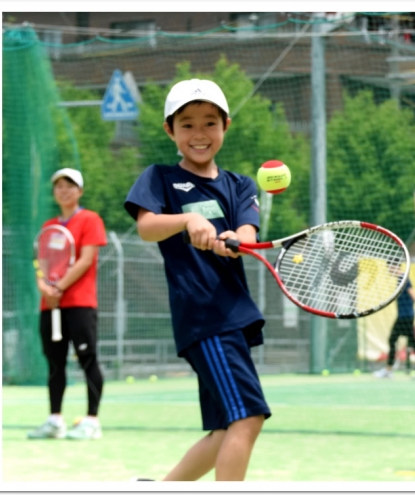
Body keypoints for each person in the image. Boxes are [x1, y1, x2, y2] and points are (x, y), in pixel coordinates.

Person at [124, 79, 271, 481]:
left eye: (210, 122)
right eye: (187, 124)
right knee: (249, 417)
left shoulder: (240, 185)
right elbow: (148, 226)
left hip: (234, 318)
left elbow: (248, 235)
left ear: (226, 125)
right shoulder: (159, 178)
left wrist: (232, 241)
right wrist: (189, 219)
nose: (199, 134)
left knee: (226, 428)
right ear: (169, 130)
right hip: (205, 318)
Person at [28, 168, 107, 441]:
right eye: (59, 186)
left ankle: (92, 421)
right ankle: (54, 421)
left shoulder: (90, 219)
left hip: (80, 304)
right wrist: (44, 286)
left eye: (70, 186)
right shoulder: (49, 226)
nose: (64, 190)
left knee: (88, 359)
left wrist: (59, 286)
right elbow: (41, 264)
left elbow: (85, 260)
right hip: (50, 306)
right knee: (54, 363)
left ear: (80, 191)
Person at [373, 263, 415, 379]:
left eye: (389, 267)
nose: (388, 270)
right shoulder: (399, 279)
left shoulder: (403, 278)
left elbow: (412, 293)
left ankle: (389, 370)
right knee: (412, 341)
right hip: (405, 316)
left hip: (405, 316)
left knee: (393, 339)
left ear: (395, 266)